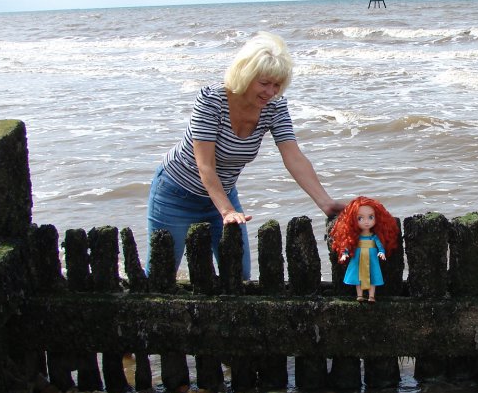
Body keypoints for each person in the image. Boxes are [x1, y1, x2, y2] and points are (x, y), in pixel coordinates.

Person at [147, 31, 343, 280]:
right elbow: (204, 165)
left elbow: (294, 156)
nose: (270, 92)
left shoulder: (275, 106)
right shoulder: (212, 100)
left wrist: (325, 202)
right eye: (264, 83)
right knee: (160, 275)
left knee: (239, 276)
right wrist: (227, 211)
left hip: (224, 193)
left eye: (277, 85)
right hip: (176, 194)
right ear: (246, 75)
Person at [330, 196, 399, 302]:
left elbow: (380, 245)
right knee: (358, 277)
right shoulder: (356, 237)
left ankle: (371, 296)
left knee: (373, 276)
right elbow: (349, 244)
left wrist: (381, 252)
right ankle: (360, 295)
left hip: (372, 258)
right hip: (358, 257)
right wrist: (345, 253)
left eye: (371, 217)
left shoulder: (374, 236)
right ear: (352, 219)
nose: (366, 222)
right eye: (360, 218)